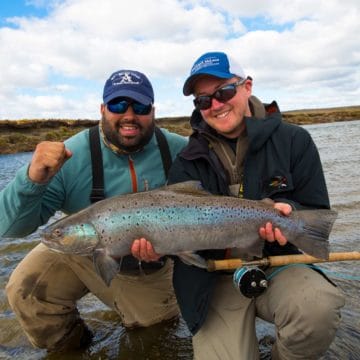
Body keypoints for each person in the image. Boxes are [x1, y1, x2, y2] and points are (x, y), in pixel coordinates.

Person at [165, 52, 345, 360]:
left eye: (224, 92)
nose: (216, 105)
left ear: (247, 86)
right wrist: (157, 245)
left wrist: (289, 212)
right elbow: (179, 237)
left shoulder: (294, 140)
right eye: (203, 101)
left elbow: (315, 207)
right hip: (213, 279)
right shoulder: (186, 160)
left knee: (318, 309)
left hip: (277, 266)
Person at [0, 69, 187, 352]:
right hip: (81, 248)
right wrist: (31, 180)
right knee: (25, 291)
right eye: (117, 105)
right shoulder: (70, 156)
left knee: (155, 337)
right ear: (102, 109)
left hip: (149, 266)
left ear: (153, 111)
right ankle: (75, 347)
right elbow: (11, 228)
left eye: (139, 106)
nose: (128, 115)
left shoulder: (179, 149)